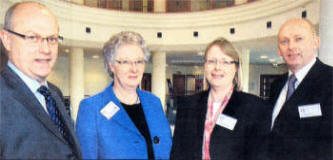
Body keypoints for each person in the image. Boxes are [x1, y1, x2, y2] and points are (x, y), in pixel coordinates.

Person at [0, 2, 81, 159]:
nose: (45, 49)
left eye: (52, 39)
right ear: (7, 40)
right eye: (32, 37)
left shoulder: (54, 93)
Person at [76, 31, 172, 159]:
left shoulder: (153, 102)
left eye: (139, 61)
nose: (134, 69)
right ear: (112, 66)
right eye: (126, 62)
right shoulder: (92, 108)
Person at [171, 37, 271, 160]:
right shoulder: (187, 106)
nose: (217, 67)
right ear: (205, 66)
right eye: (212, 61)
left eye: (225, 62)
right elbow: (177, 154)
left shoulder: (255, 108)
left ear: (236, 67)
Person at [267, 18, 332, 160]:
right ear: (279, 50)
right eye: (284, 41)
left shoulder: (330, 80)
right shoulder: (276, 85)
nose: (291, 46)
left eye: (299, 39)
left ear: (316, 43)